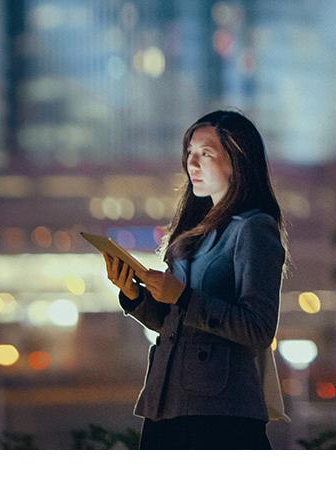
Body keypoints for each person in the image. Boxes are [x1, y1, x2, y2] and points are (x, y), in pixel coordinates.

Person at [97, 109, 291, 449]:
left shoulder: (253, 229)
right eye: (189, 153)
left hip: (221, 411)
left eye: (206, 153)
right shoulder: (193, 232)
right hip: (166, 403)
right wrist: (134, 295)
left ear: (238, 162)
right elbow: (176, 324)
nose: (192, 164)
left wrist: (184, 297)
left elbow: (258, 329)